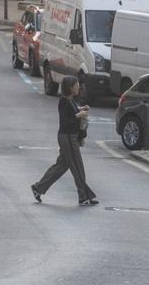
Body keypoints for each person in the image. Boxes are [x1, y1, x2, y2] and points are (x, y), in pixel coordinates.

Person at [31, 76, 99, 206]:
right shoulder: (63, 102)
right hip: (67, 137)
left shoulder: (71, 100)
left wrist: (81, 109)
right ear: (70, 87)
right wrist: (79, 115)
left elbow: (72, 112)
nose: (78, 87)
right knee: (77, 167)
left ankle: (38, 188)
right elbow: (66, 120)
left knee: (61, 166)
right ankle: (83, 196)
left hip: (69, 137)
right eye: (76, 85)